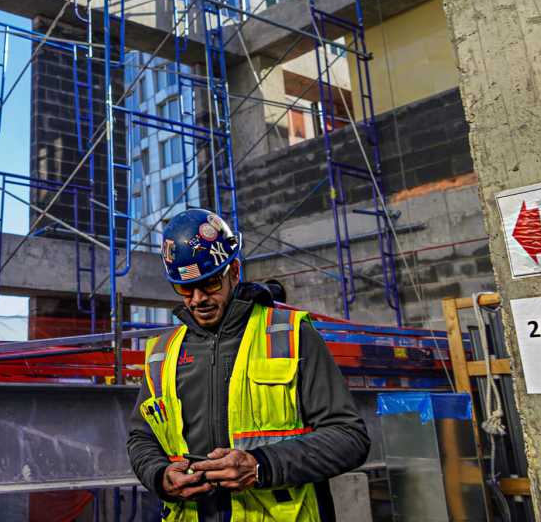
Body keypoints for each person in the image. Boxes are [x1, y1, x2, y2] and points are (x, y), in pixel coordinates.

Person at [127, 208, 369, 521]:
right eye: (185, 288)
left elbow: (350, 438)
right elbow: (141, 437)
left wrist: (261, 466)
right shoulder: (163, 353)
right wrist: (159, 476)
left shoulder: (291, 336)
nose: (198, 299)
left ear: (234, 271)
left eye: (210, 283)